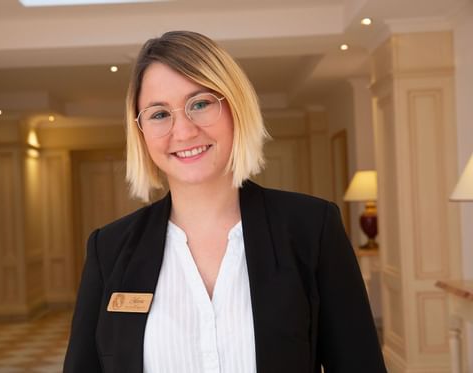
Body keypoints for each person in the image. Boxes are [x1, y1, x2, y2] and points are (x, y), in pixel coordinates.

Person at [63, 30, 387, 373]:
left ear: (235, 107)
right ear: (141, 133)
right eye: (159, 114)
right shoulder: (109, 249)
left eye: (200, 104)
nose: (183, 131)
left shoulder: (311, 228)